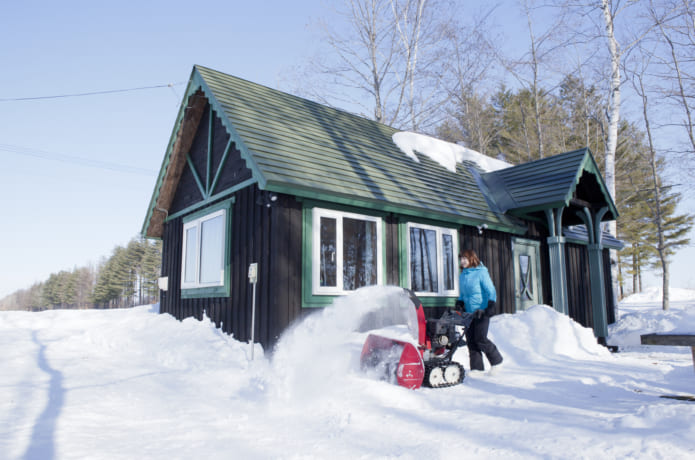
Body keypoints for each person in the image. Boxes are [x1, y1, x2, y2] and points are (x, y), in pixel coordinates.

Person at [455, 249, 503, 373]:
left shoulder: (481, 272)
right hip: (469, 313)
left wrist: (490, 306)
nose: (463, 261)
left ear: (472, 258)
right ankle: (477, 370)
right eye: (461, 259)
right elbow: (463, 294)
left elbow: (491, 290)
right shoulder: (463, 275)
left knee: (480, 339)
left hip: (481, 312)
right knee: (471, 342)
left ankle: (497, 361)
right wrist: (460, 302)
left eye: (465, 258)